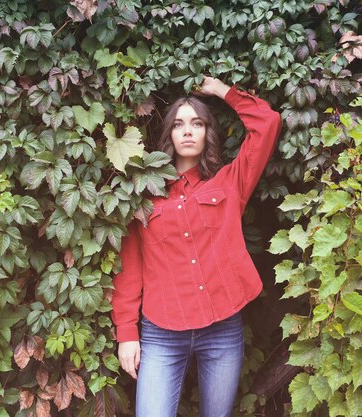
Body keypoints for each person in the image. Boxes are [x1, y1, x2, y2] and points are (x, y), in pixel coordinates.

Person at [111, 76, 282, 417]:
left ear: (208, 133)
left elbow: (268, 123)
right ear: (168, 136)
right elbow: (130, 267)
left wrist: (221, 91)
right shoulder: (143, 196)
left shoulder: (230, 183)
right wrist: (127, 332)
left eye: (197, 123)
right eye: (178, 124)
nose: (188, 131)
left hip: (222, 327)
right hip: (161, 332)